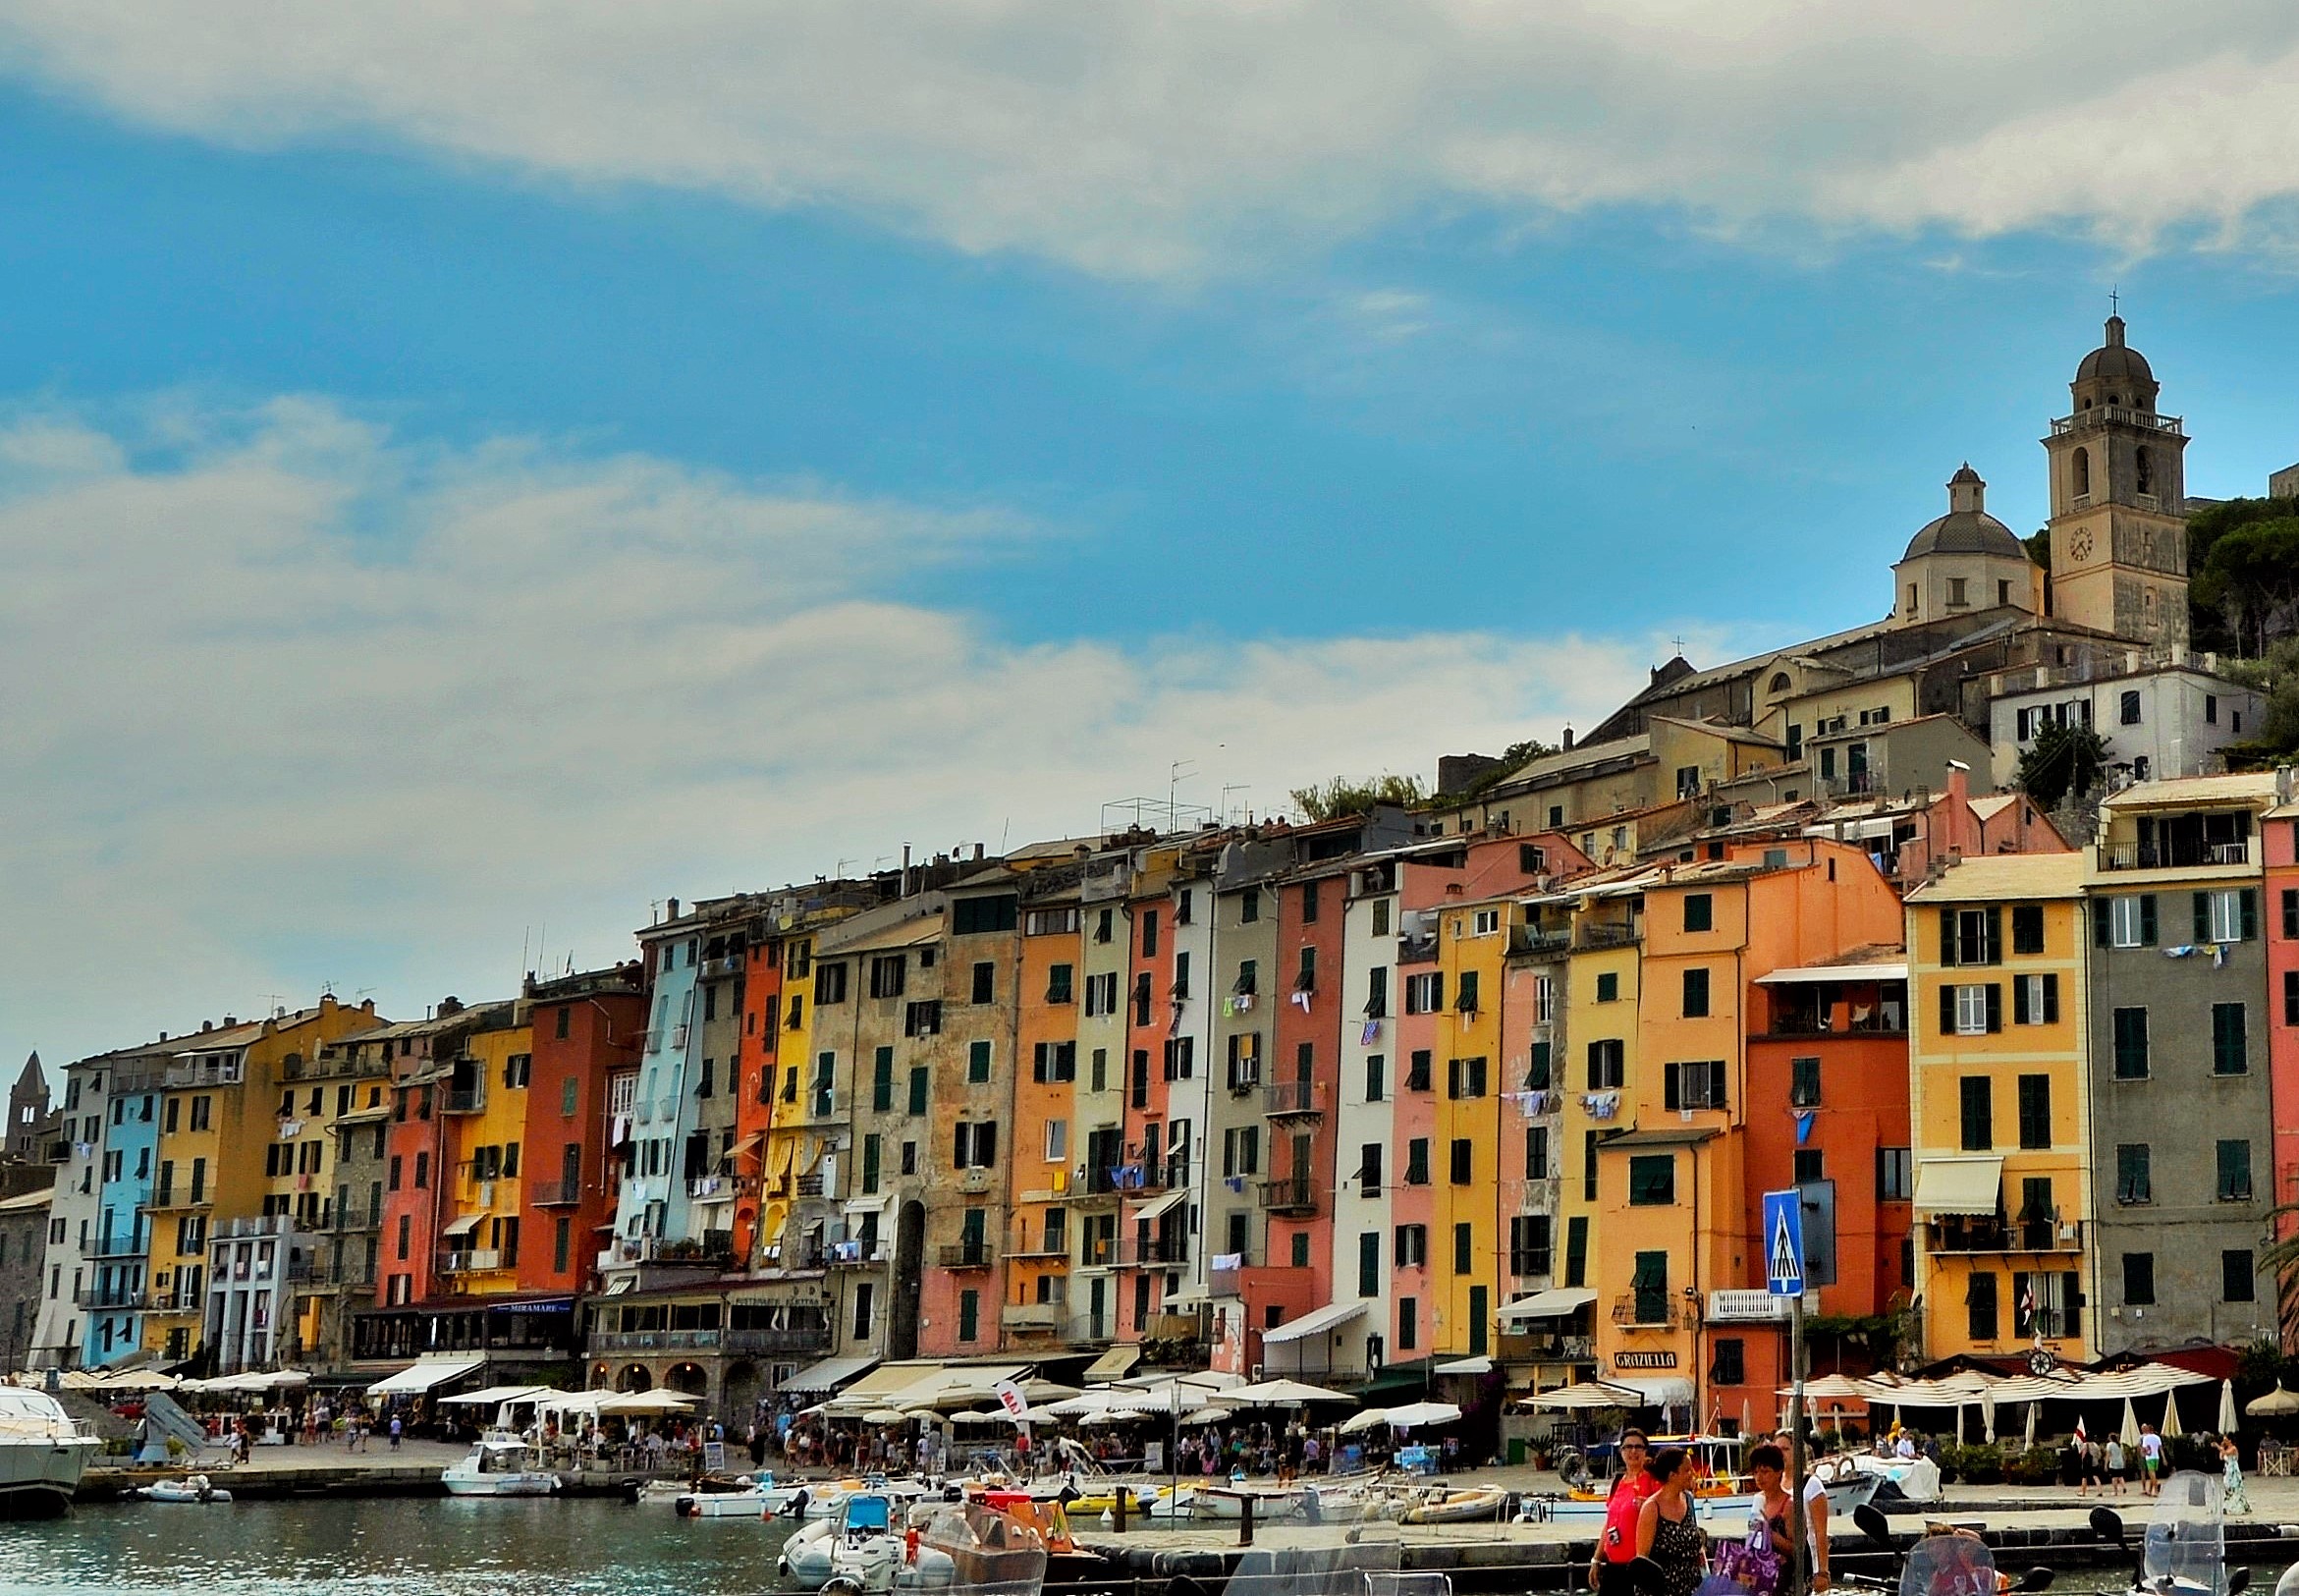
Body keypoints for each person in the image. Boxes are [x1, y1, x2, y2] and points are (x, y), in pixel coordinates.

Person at [1589, 1429, 1658, 1596]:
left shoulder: (1652, 1480)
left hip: (1638, 1567)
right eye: (1628, 1447)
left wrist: (1647, 1509)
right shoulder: (1618, 1482)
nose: (1633, 1451)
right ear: (1621, 1452)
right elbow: (1609, 1523)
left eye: (1638, 1447)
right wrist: (1596, 1559)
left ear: (1645, 1451)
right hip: (1613, 1566)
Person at [1636, 1448, 1709, 1596]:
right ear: (1672, 1475)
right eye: (1687, 1470)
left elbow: (1694, 1538)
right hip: (1662, 1590)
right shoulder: (1652, 1508)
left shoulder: (1688, 1499)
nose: (1693, 1474)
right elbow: (1642, 1561)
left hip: (1692, 1587)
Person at [1772, 1430, 1831, 1589]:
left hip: (1806, 1562)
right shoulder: (1774, 1484)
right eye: (1777, 1450)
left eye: (1785, 1449)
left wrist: (1823, 1571)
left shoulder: (1812, 1485)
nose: (1781, 1454)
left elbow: (1820, 1532)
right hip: (1776, 1565)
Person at [2218, 1434, 2252, 1516]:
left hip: (2233, 1469)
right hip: (2227, 1469)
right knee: (2227, 1486)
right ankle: (2228, 1506)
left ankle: (2237, 1506)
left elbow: (2227, 1453)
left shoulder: (2233, 1448)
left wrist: (2217, 1446)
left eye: (2225, 1440)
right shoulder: (2225, 1448)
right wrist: (2221, 1448)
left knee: (2234, 1486)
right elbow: (2221, 1457)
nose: (2224, 1442)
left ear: (2230, 1440)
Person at [2139, 1423, 2163, 1496]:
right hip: (2156, 1457)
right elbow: (2161, 1449)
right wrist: (2164, 1458)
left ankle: (2155, 1490)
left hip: (2149, 1458)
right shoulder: (2157, 1437)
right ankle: (2150, 1490)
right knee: (2152, 1475)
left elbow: (2144, 1448)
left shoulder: (2146, 1438)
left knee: (2152, 1475)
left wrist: (2142, 1454)